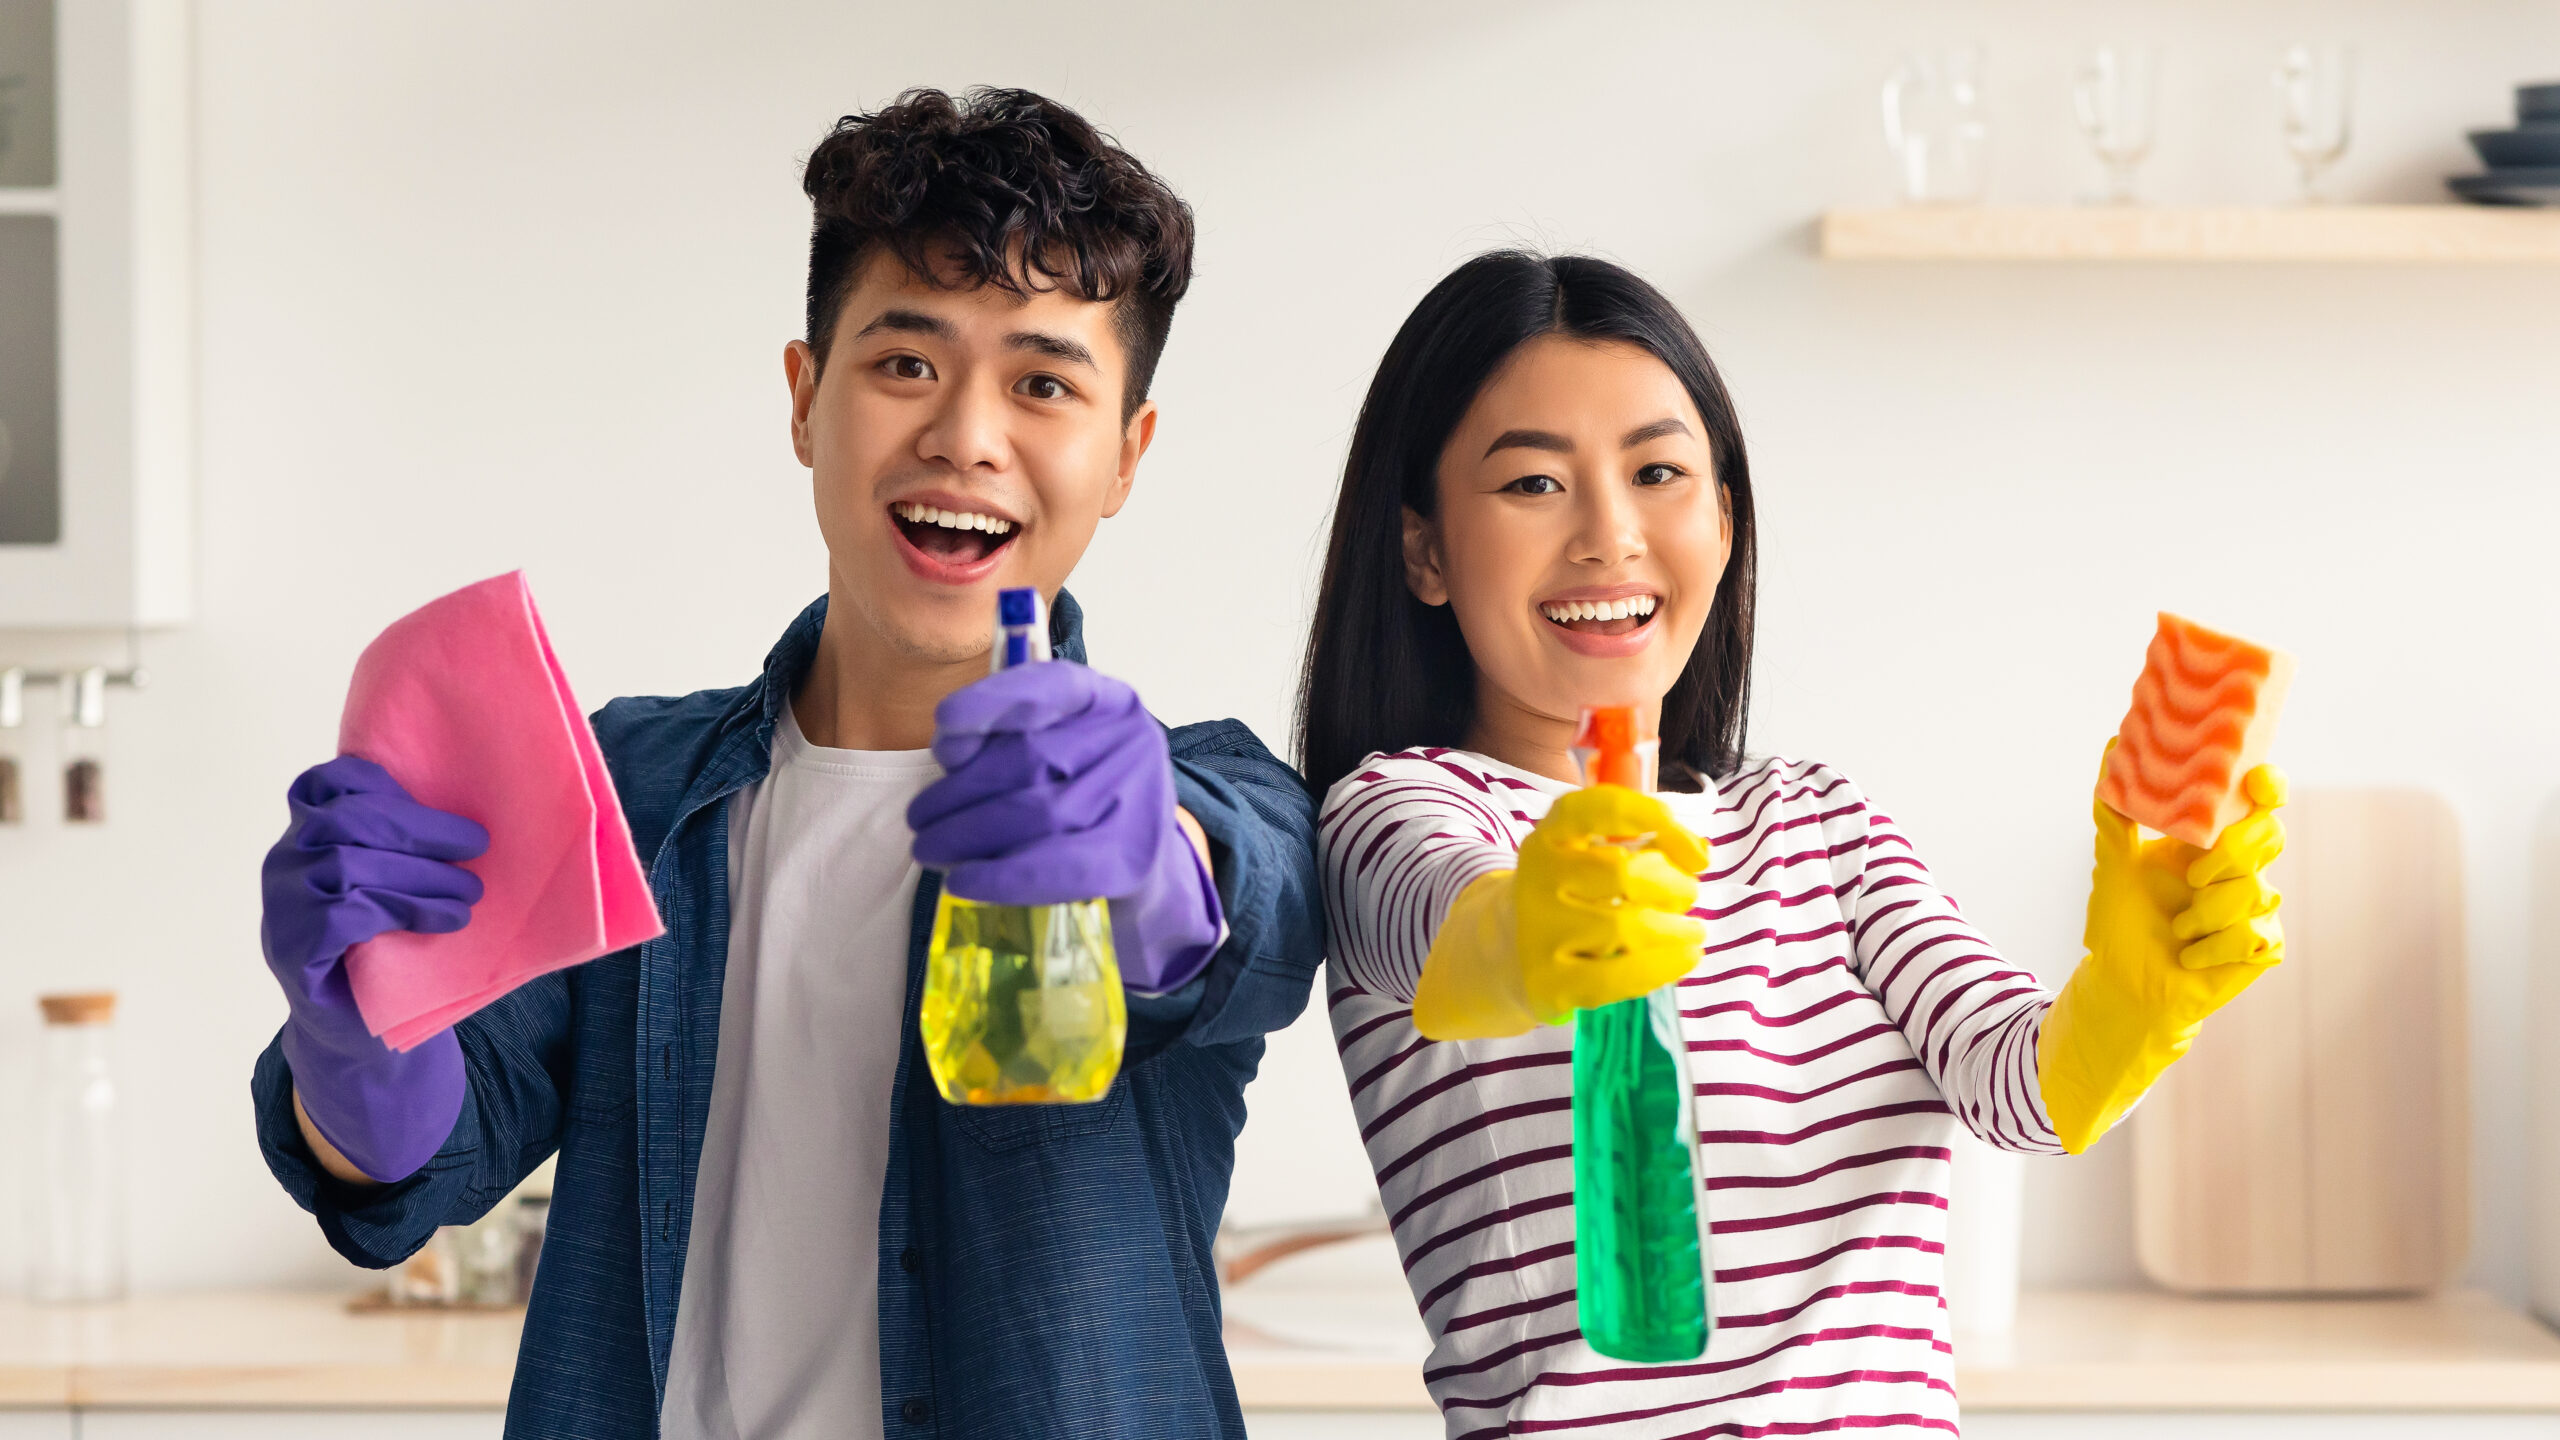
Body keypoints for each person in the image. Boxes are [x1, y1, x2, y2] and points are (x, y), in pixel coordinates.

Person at [252, 88, 1323, 1440]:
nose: (967, 436)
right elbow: (410, 1171)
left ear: (1125, 456)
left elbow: (1254, 910)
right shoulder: (626, 789)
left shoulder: (1208, 795)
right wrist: (352, 1024)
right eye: (904, 363)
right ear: (807, 401)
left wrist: (1152, 864)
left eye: (1045, 383)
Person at [1298, 251, 2286, 1437]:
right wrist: (1533, 930)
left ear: (1721, 522)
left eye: (1658, 472)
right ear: (1423, 550)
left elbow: (2020, 1090)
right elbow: (1458, 933)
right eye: (1532, 486)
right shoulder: (1399, 813)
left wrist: (2135, 994)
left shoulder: (1817, 823)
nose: (1610, 537)